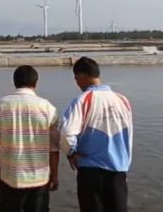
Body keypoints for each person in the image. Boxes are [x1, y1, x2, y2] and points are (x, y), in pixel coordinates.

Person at [59, 57, 133, 212]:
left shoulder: (82, 100)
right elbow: (129, 135)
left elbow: (66, 133)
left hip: (91, 172)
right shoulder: (122, 100)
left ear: (82, 75)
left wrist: (71, 153)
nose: (76, 82)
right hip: (118, 171)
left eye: (76, 78)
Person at [0, 65, 60, 212]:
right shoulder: (48, 108)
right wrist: (55, 174)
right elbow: (54, 148)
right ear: (35, 83)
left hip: (9, 176)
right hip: (39, 178)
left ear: (14, 82)